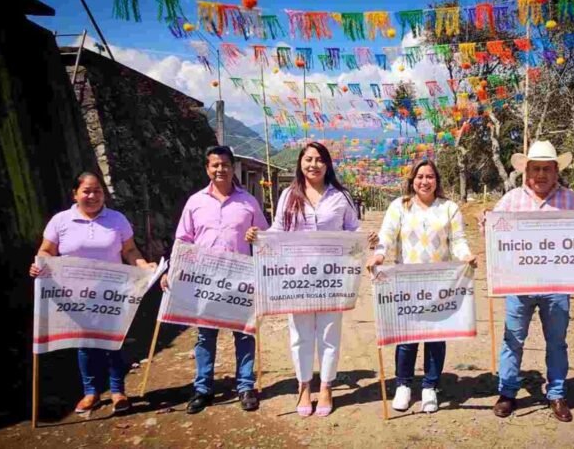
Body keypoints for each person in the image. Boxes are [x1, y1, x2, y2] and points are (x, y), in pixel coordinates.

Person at [486, 141, 574, 422]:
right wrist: (484, 220)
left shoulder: (571, 200)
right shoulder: (512, 199)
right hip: (518, 285)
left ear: (556, 170)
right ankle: (508, 393)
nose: (540, 174)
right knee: (512, 340)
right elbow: (491, 228)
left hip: (556, 287)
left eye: (546, 169)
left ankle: (557, 394)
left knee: (557, 342)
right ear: (526, 171)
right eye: (535, 169)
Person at [246, 142, 374, 417]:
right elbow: (278, 230)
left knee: (329, 334)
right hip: (297, 279)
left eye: (319, 160)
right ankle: (304, 386)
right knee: (301, 335)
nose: (313, 164)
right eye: (308, 159)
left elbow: (354, 229)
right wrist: (259, 237)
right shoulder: (288, 196)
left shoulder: (341, 197)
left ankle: (326, 386)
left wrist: (368, 239)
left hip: (332, 279)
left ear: (327, 165)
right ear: (300, 163)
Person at [29, 171, 157, 414]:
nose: (92, 196)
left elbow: (130, 250)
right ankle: (91, 393)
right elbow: (46, 250)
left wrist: (143, 265)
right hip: (75, 296)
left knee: (113, 342)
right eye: (86, 191)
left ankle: (118, 391)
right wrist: (40, 263)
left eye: (97, 190)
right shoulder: (61, 221)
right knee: (85, 344)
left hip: (111, 293)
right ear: (75, 194)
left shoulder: (117, 219)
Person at [161, 146, 269, 414]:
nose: (220, 169)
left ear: (233, 168)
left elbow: (267, 238)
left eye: (225, 165)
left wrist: (257, 236)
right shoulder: (195, 202)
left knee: (244, 334)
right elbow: (183, 241)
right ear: (207, 168)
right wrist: (172, 271)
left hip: (240, 280)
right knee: (204, 336)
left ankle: (245, 386)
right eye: (214, 165)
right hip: (205, 281)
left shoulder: (249, 202)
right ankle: (202, 389)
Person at [367, 159, 476, 414]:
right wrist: (379, 256)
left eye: (430, 176)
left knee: (436, 337)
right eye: (419, 176)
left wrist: (465, 256)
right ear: (412, 180)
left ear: (436, 180)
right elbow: (386, 237)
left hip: (440, 284)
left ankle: (430, 386)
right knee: (407, 337)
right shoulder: (400, 206)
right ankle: (403, 385)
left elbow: (458, 240)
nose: (424, 181)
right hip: (407, 283)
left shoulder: (449, 208)